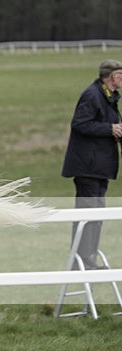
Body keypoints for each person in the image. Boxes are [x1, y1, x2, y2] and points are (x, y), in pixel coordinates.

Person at [61, 59, 122, 269]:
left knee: (97, 215)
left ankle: (90, 259)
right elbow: (80, 123)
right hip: (88, 167)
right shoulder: (93, 94)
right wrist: (109, 129)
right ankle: (82, 261)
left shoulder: (108, 97)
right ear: (112, 76)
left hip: (99, 168)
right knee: (87, 216)